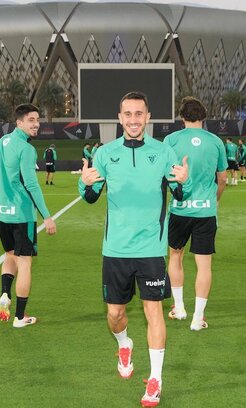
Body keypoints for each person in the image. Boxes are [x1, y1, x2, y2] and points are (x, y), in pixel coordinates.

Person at [78, 91, 191, 407]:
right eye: (127, 114)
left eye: (139, 114)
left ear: (148, 117)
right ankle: (124, 343)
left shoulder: (163, 151)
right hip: (115, 250)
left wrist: (182, 181)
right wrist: (87, 183)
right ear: (119, 118)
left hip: (151, 249)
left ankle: (155, 380)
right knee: (115, 314)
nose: (133, 120)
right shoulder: (105, 154)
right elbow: (90, 198)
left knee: (153, 309)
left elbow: (179, 195)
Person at [0, 104, 57, 328]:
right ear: (19, 123)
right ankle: (20, 317)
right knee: (25, 263)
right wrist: (47, 216)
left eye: (37, 119)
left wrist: (1, 202)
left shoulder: (1, 142)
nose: (36, 124)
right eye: (31, 120)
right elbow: (31, 185)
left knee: (9, 255)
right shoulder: (27, 149)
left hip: (1, 213)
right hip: (21, 215)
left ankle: (4, 293)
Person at [163, 96, 227, 331]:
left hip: (179, 210)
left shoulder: (170, 140)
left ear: (182, 117)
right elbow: (222, 179)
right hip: (205, 211)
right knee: (204, 265)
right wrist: (214, 200)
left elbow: (165, 175)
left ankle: (179, 308)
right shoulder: (216, 142)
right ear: (204, 116)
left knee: (175, 257)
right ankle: (197, 319)